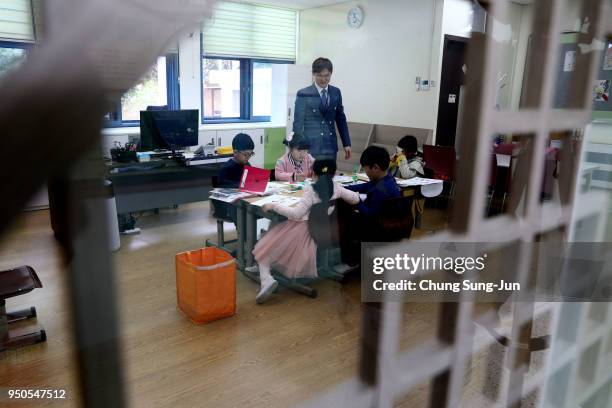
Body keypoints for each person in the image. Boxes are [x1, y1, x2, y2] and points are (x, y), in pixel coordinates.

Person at [246, 160, 360, 304]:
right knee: (270, 240)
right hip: (326, 231)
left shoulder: (311, 191)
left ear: (314, 174)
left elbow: (296, 214)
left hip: (305, 232)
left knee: (264, 245)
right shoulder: (337, 188)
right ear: (334, 174)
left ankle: (266, 279)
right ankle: (263, 269)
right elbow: (355, 199)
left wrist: (273, 205)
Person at [339, 146, 401, 267]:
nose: (365, 171)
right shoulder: (387, 179)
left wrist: (357, 202)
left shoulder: (381, 190)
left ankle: (350, 259)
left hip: (376, 226)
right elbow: (364, 187)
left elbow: (370, 215)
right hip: (388, 222)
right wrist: (341, 188)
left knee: (345, 218)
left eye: (365, 168)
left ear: (375, 168)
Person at [293, 57, 351, 161]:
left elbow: (341, 119)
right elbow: (298, 123)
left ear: (331, 74)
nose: (323, 79)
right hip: (310, 148)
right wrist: (298, 147)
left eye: (327, 76)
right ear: (314, 74)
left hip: (330, 147)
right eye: (320, 75)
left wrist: (346, 143)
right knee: (311, 177)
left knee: (329, 176)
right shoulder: (304, 94)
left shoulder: (336, 92)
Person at [214, 133, 255, 224]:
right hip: (225, 205)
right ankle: (243, 236)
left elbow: (250, 181)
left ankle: (248, 236)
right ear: (235, 152)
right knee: (242, 211)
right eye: (245, 154)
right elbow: (222, 186)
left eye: (250, 154)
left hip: (241, 200)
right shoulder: (227, 168)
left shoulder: (247, 165)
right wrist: (242, 185)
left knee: (250, 208)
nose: (248, 157)